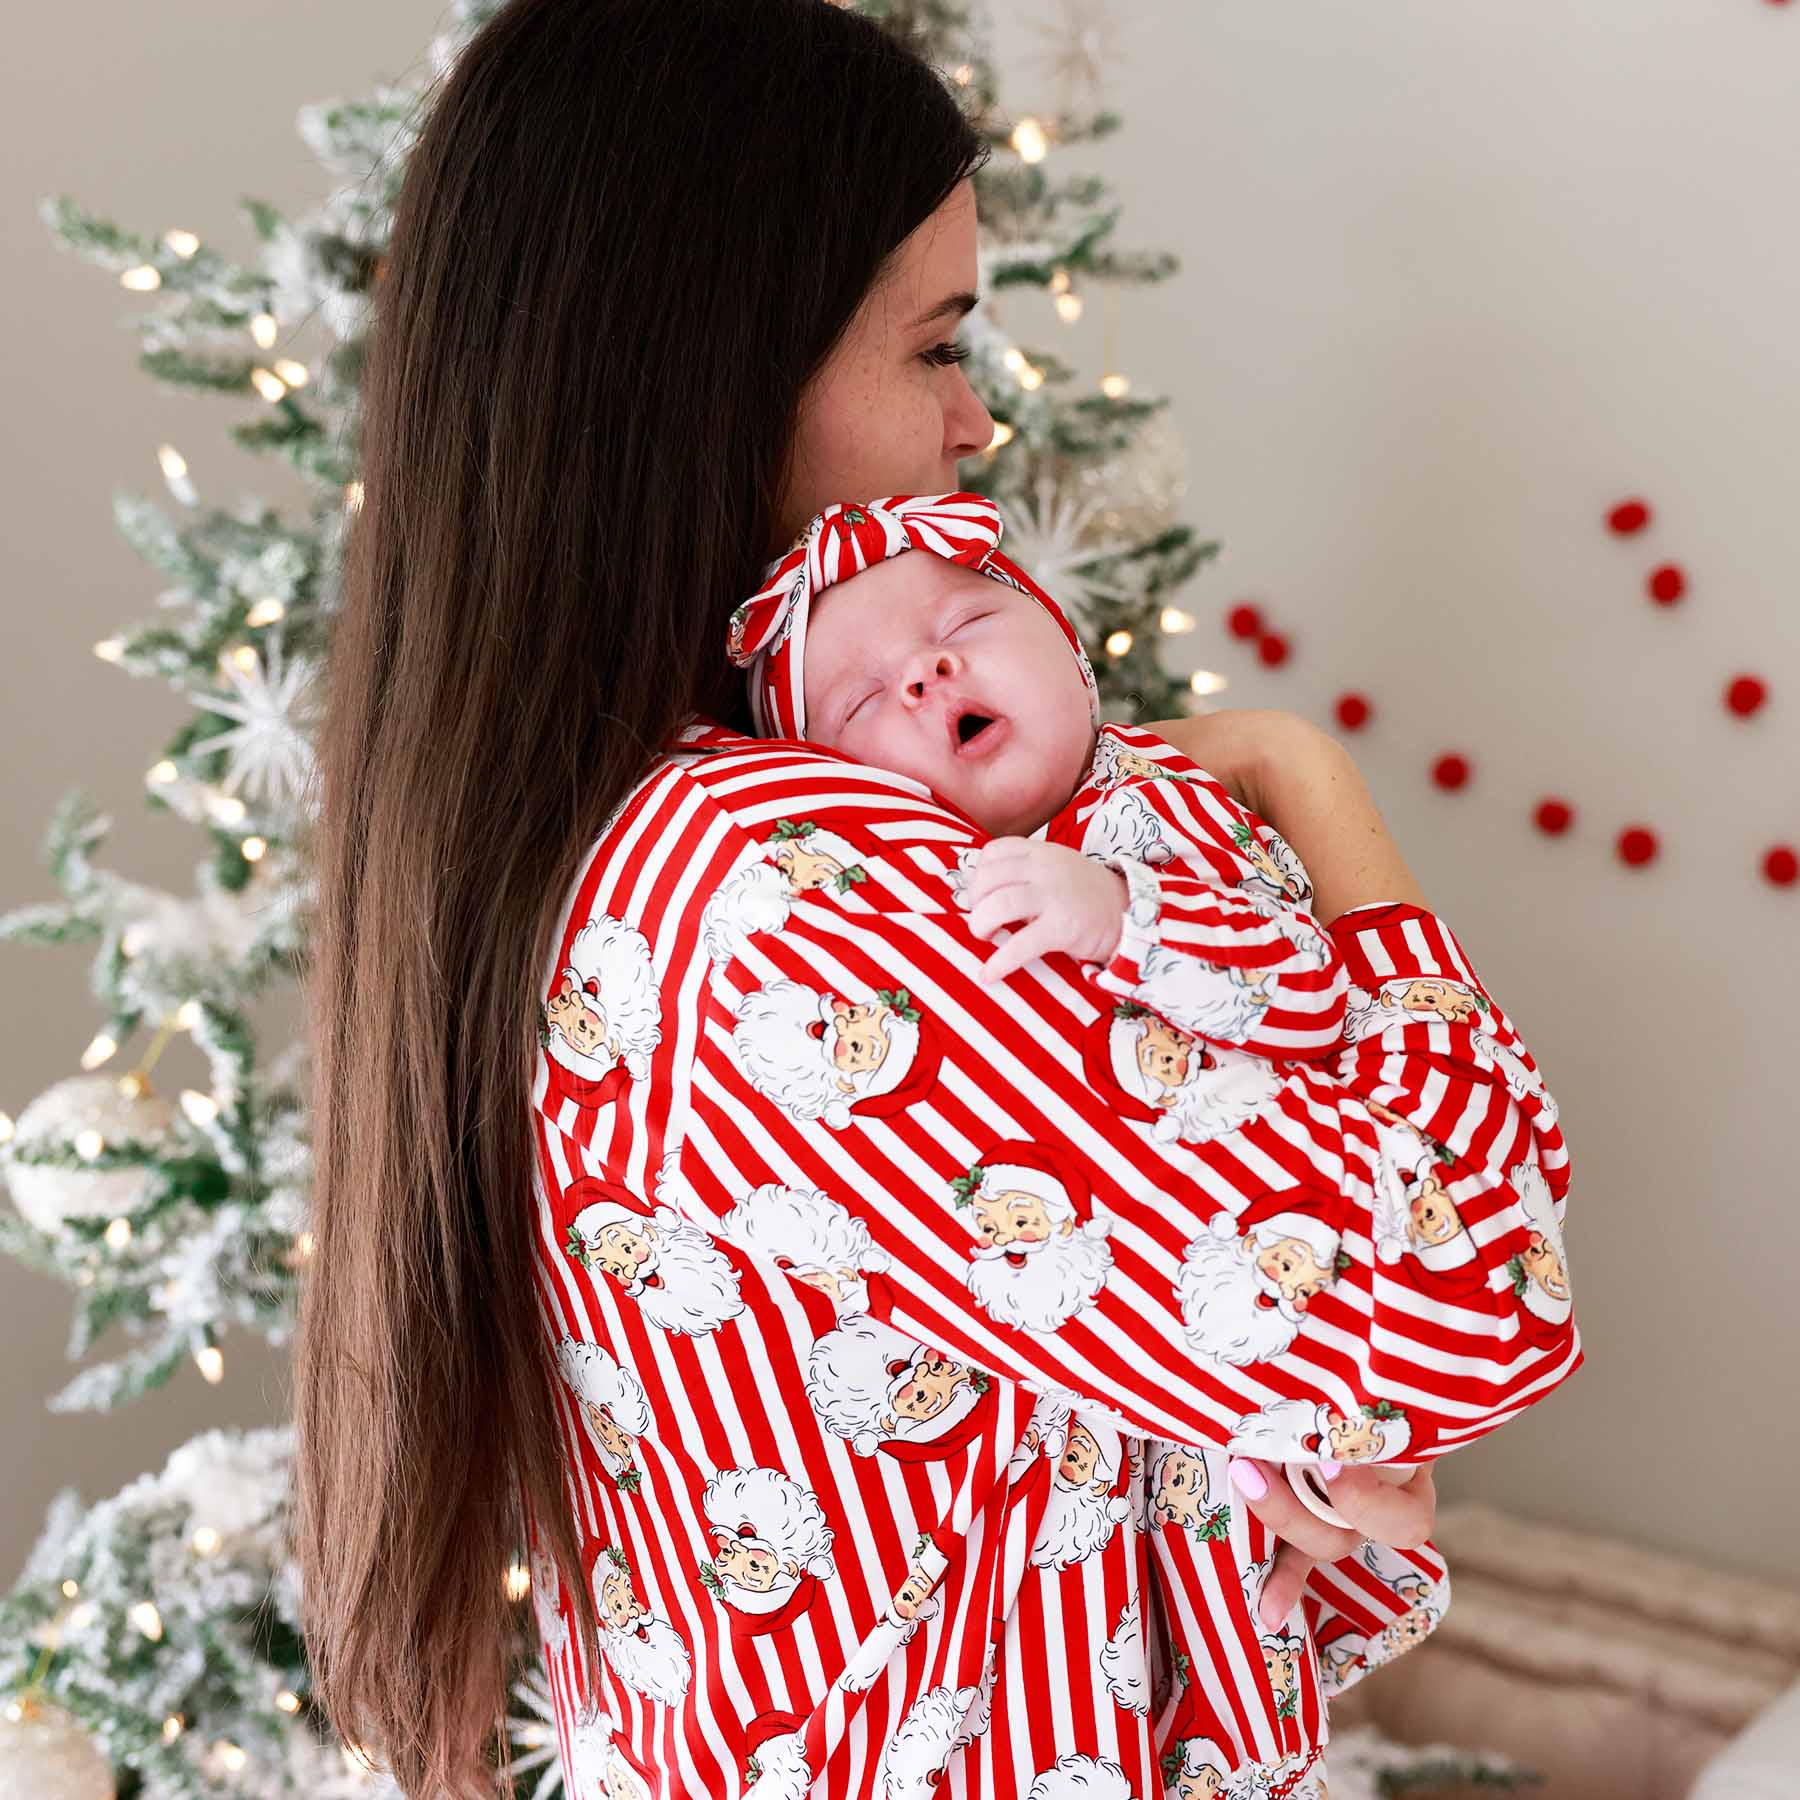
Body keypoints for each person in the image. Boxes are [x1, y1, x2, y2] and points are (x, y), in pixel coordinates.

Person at [291, 2, 1578, 1798]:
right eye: (938, 344)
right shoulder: (774, 890)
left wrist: (1278, 1433)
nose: (974, 420)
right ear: (711, 368)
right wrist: (1308, 785)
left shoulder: (623, 833)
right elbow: (1478, 1293)